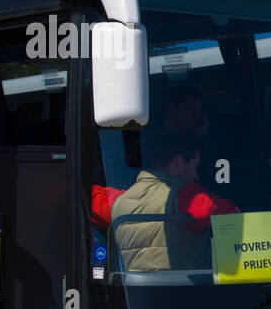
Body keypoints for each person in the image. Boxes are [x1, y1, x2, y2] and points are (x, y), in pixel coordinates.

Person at [110, 131, 239, 272]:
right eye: (195, 168)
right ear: (178, 163)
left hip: (136, 293)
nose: (196, 176)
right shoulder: (185, 194)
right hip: (186, 292)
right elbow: (207, 210)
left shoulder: (120, 201)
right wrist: (234, 211)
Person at [91, 83, 211, 229]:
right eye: (191, 108)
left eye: (199, 110)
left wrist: (202, 139)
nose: (197, 117)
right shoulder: (141, 141)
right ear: (172, 109)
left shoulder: (201, 145)